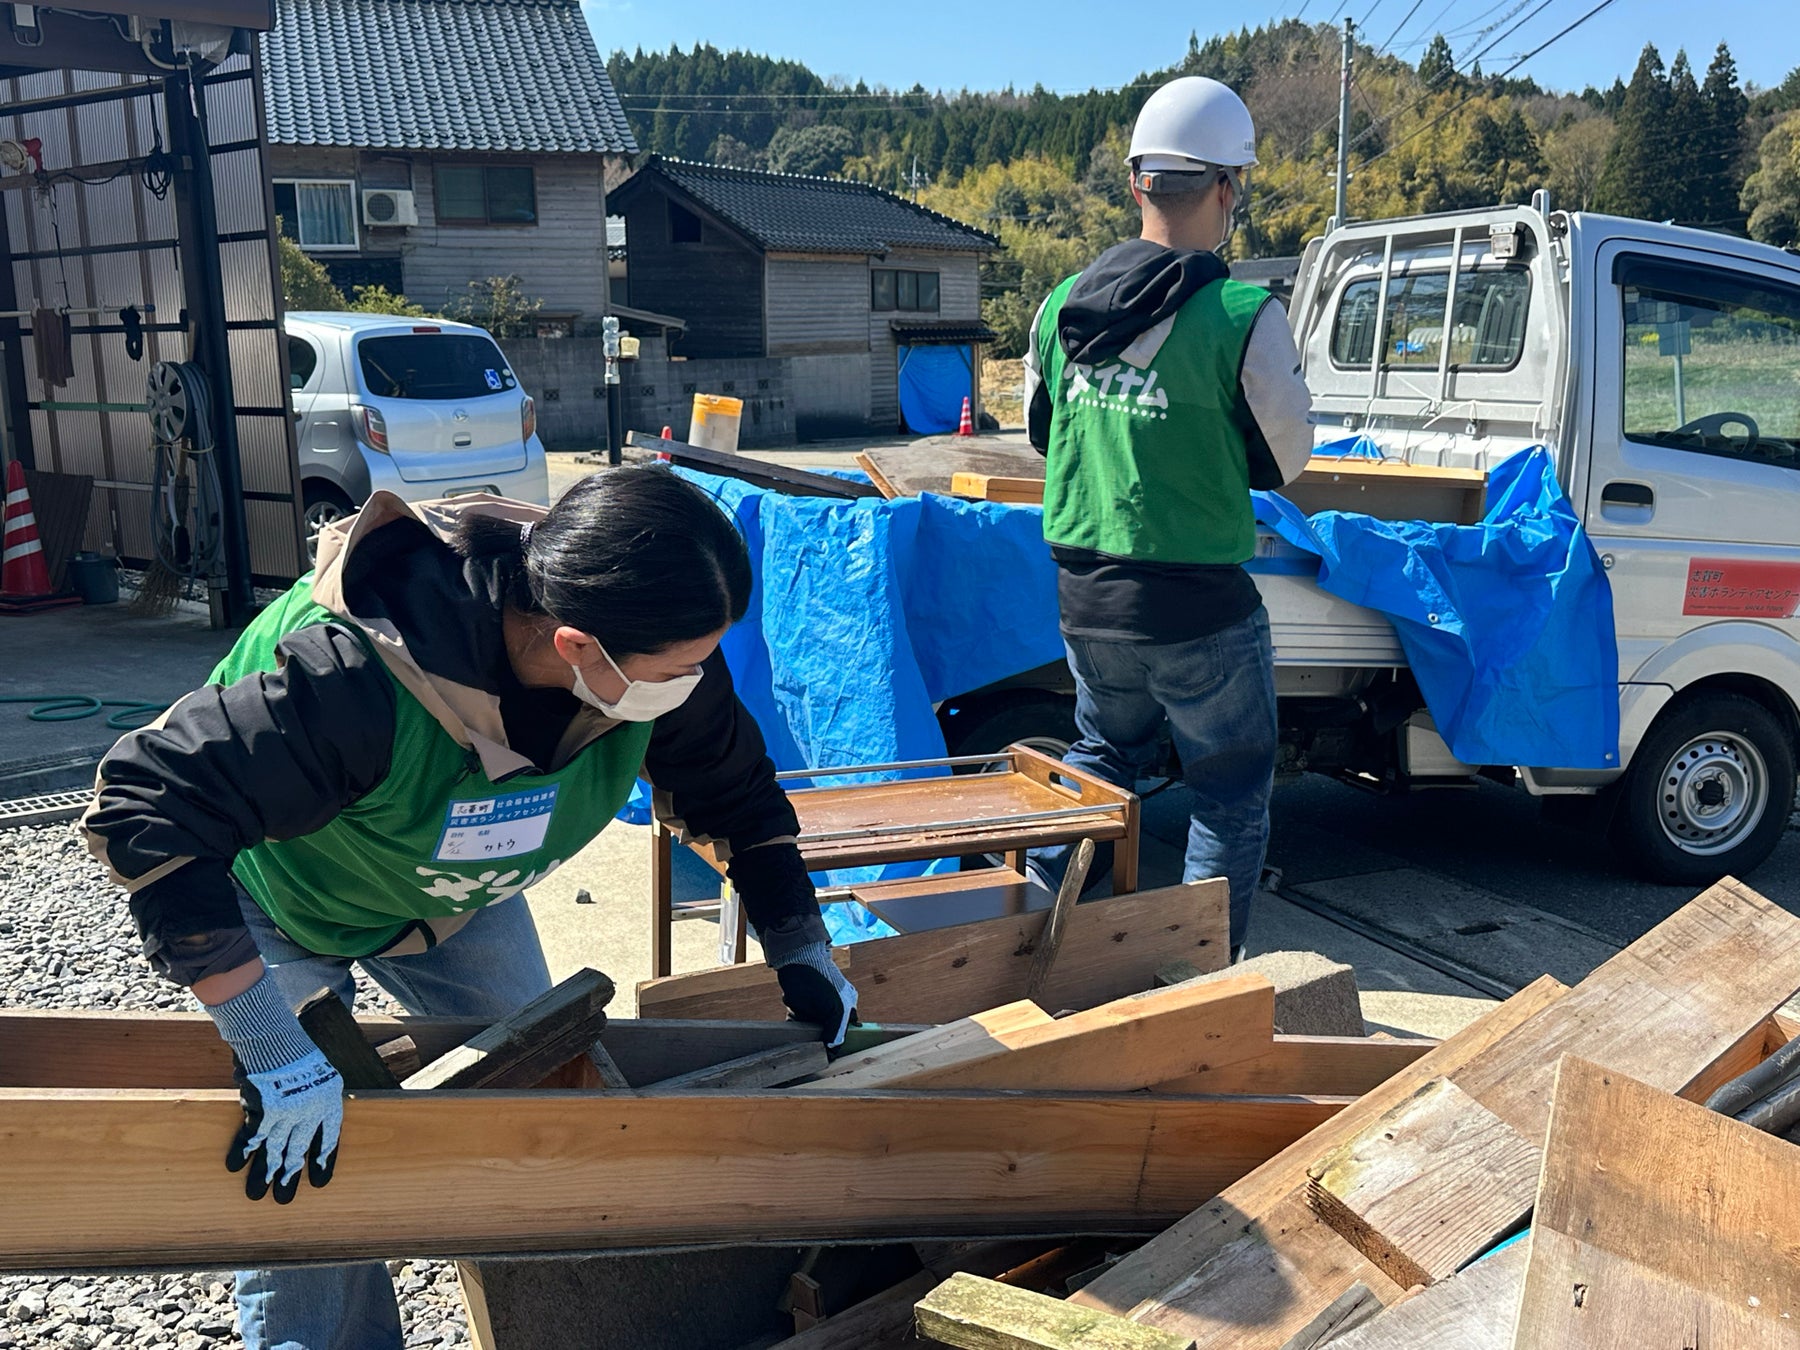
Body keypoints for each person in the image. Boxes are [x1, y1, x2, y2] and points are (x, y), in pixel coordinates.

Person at [80, 468, 857, 1350]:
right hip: (284, 895)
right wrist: (266, 1039)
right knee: (304, 1145)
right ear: (576, 644)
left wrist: (801, 945)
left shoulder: (653, 659)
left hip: (451, 897)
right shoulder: (353, 681)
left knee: (543, 1076)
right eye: (678, 667)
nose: (696, 680)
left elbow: (739, 797)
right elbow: (144, 801)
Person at [1022, 75, 1314, 954]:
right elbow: (1286, 458)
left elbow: (1043, 434)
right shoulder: (1243, 314)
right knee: (1228, 791)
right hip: (1198, 605)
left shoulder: (1061, 304)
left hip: (1086, 598)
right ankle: (1195, 983)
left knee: (1100, 758)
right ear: (1226, 188)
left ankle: (1014, 943)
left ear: (1136, 183)